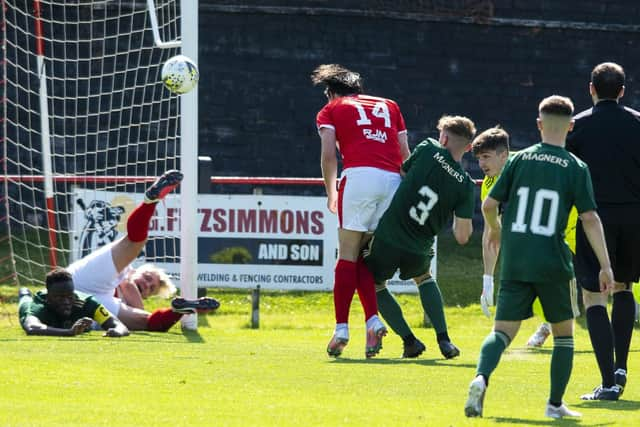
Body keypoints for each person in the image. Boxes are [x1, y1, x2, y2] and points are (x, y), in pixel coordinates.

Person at [464, 95, 614, 419]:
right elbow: (589, 218)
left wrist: (496, 230)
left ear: (538, 124)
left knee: (502, 331)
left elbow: (489, 205)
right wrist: (605, 265)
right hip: (553, 262)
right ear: (571, 126)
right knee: (563, 334)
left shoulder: (519, 160)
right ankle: (555, 405)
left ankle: (480, 378)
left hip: (516, 259)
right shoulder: (576, 167)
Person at [311, 64, 410, 358]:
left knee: (347, 255)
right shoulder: (390, 106)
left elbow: (329, 156)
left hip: (359, 178)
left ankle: (341, 328)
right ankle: (372, 320)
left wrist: (331, 192)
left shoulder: (331, 110)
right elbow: (406, 154)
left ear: (331, 93)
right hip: (392, 181)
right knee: (364, 257)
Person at [363, 115, 477, 359]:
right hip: (420, 246)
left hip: (390, 236)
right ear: (468, 147)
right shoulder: (467, 185)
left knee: (373, 285)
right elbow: (462, 235)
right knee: (424, 278)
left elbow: (404, 171)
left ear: (443, 138)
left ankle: (409, 341)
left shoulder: (428, 148)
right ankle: (444, 340)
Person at [566, 62, 640, 401]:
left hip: (595, 218)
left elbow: (568, 176)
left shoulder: (577, 126)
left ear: (591, 89)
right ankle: (622, 366)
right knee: (624, 288)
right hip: (634, 218)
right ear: (622, 90)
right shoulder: (638, 122)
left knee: (594, 295)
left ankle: (609, 381)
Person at [70, 169, 220, 332]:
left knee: (146, 323)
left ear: (148, 296)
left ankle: (183, 309)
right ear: (137, 271)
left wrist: (142, 314)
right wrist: (139, 308)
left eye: (151, 288)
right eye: (147, 278)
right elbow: (127, 284)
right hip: (81, 282)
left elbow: (149, 321)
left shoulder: (118, 305)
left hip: (97, 302)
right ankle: (150, 201)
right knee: (135, 242)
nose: (146, 285)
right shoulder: (125, 272)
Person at [472, 126, 576, 348]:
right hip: (538, 233)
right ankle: (545, 326)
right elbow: (491, 232)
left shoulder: (529, 164)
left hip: (570, 222)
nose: (481, 164)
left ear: (503, 155)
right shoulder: (490, 182)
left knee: (599, 282)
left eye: (486, 157)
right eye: (479, 158)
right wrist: (487, 278)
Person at [18, 268, 129, 337]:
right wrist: (68, 332)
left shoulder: (87, 303)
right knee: (25, 302)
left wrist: (117, 332)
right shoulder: (39, 305)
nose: (66, 301)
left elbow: (119, 325)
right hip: (28, 304)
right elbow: (31, 327)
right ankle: (24, 294)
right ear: (48, 297)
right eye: (59, 297)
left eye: (70, 296)